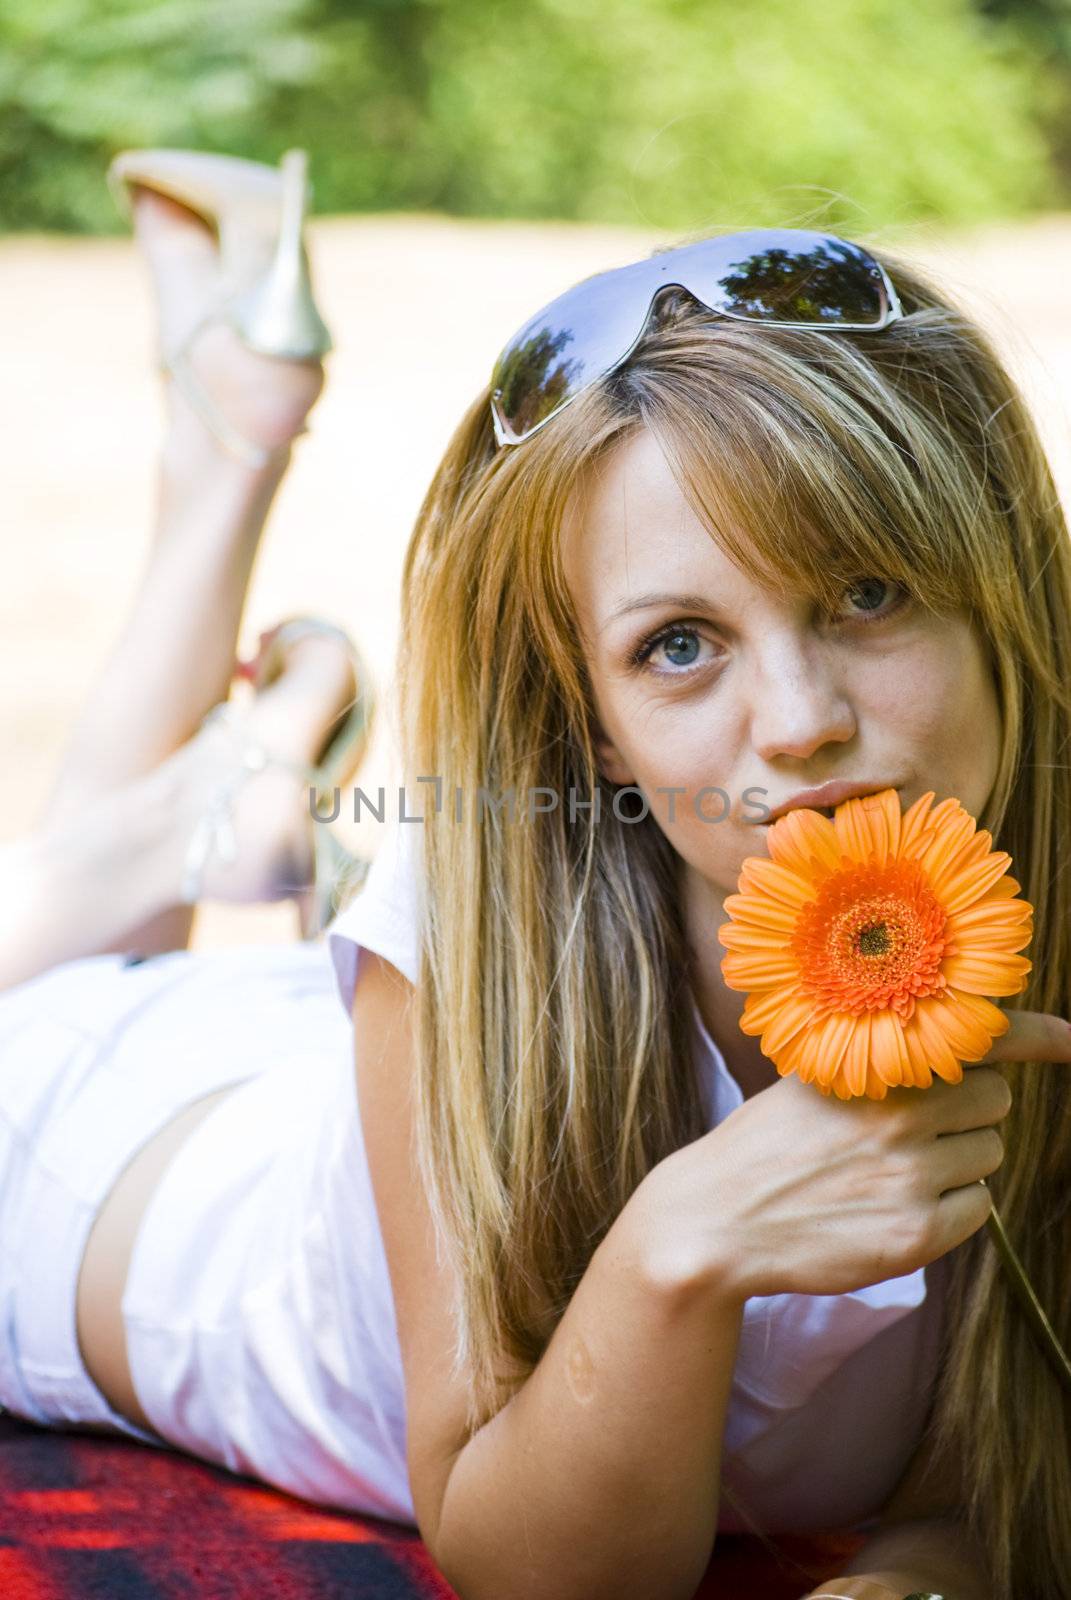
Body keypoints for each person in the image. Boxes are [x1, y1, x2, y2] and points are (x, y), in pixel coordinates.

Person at [1, 159, 1069, 1600]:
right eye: (680, 645)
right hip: (85, 1165)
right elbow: (534, 1570)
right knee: (38, 1000)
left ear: (1001, 593)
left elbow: (977, 1483)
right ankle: (203, 782)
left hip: (290, 1057)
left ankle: (232, 684)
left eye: (866, 593)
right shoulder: (474, 926)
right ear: (601, 738)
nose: (801, 717)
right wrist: (675, 1254)